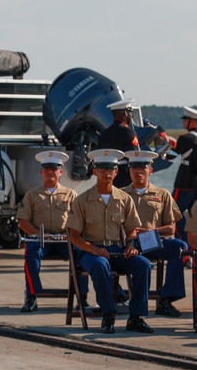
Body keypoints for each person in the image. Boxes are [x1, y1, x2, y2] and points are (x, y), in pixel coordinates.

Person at [66, 149, 152, 334]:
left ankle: (136, 317)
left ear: (116, 172)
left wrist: (131, 246)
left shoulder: (125, 199)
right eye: (101, 168)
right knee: (99, 265)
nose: (106, 172)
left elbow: (131, 231)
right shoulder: (82, 200)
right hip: (90, 250)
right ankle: (108, 314)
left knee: (143, 264)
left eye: (110, 168)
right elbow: (74, 236)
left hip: (116, 249)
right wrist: (92, 249)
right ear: (94, 171)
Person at [16, 150, 88, 312]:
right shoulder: (31, 195)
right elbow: (23, 221)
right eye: (47, 169)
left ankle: (81, 297)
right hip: (41, 239)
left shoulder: (71, 194)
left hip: (64, 240)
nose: (50, 172)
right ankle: (32, 297)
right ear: (41, 172)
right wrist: (37, 234)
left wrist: (69, 234)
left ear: (61, 172)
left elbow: (78, 220)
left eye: (54, 169)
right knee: (31, 254)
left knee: (81, 253)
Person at [120, 149, 186, 316]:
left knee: (179, 246)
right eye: (134, 168)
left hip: (151, 240)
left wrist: (151, 230)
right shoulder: (120, 195)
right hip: (127, 242)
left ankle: (166, 299)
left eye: (142, 168)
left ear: (151, 170)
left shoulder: (162, 194)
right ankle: (122, 298)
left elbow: (171, 228)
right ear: (129, 170)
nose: (138, 172)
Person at [97, 98, 140, 189]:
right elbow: (134, 156)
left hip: (107, 174)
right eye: (129, 113)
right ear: (125, 114)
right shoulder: (128, 132)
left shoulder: (105, 133)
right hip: (124, 176)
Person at [171, 106, 197, 240]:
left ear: (193, 122)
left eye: (186, 120)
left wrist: (164, 142)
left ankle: (183, 246)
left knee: (175, 215)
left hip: (183, 184)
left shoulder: (185, 138)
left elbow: (169, 156)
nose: (183, 123)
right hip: (195, 185)